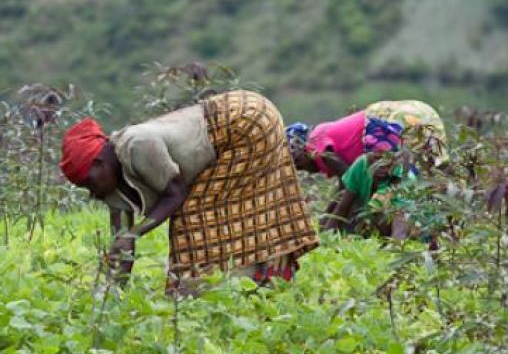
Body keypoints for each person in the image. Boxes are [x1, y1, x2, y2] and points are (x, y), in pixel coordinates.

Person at [59, 90, 317, 290]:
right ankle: (256, 280)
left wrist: (136, 233)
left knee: (194, 218)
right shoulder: (113, 185)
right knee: (243, 213)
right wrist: (113, 291)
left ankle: (231, 287)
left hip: (245, 123)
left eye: (89, 184)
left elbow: (176, 194)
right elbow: (123, 244)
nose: (92, 193)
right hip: (244, 121)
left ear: (100, 163)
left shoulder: (137, 145)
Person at [286, 100, 448, 238]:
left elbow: (348, 189)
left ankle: (413, 236)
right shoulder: (322, 133)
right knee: (428, 178)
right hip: (421, 111)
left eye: (300, 166)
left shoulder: (319, 147)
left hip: (397, 118)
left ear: (302, 153)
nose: (307, 171)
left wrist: (325, 226)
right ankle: (439, 230)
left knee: (403, 189)